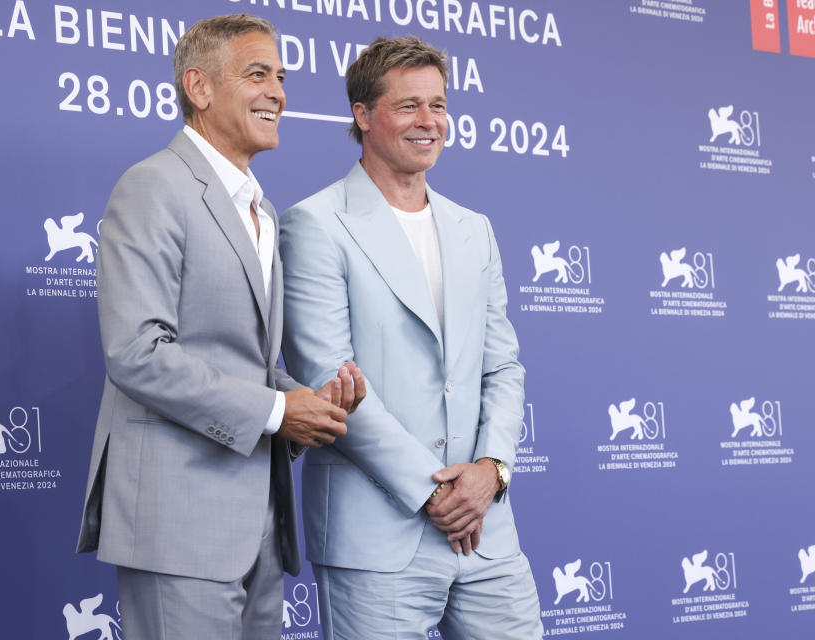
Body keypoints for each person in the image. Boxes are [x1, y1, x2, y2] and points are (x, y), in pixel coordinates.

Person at [75, 14, 364, 640]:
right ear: (199, 88)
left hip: (259, 520)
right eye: (257, 74)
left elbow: (246, 360)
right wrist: (274, 410)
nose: (279, 93)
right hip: (179, 523)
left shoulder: (262, 208)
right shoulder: (153, 186)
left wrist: (304, 401)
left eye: (281, 77)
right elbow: (136, 351)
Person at [279, 36, 543, 639]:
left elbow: (502, 367)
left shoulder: (474, 230)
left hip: (487, 532)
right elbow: (331, 383)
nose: (429, 122)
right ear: (363, 115)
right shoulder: (316, 224)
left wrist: (491, 471)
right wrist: (436, 495)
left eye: (439, 105)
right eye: (408, 106)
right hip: (376, 537)